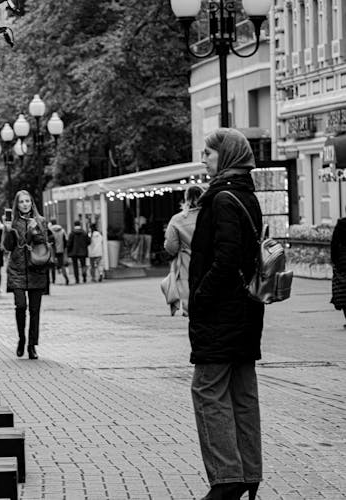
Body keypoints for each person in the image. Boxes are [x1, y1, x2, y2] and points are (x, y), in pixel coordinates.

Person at [188, 128, 264, 500]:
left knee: (207, 390)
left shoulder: (221, 199)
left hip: (221, 313)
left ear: (227, 156)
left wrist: (199, 297)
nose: (203, 158)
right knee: (242, 393)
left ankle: (226, 477)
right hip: (247, 311)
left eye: (209, 153)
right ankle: (249, 474)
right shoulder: (247, 196)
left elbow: (225, 258)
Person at [3, 190, 49, 360]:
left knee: (35, 310)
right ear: (17, 204)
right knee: (21, 306)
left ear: (32, 203)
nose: (25, 204)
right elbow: (8, 247)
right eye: (22, 202)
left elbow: (44, 243)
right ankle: (21, 338)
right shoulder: (12, 222)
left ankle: (32, 345)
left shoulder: (40, 221)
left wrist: (34, 230)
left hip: (36, 269)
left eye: (27, 201)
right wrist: (8, 231)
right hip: (17, 270)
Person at [163, 186, 204, 316]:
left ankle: (188, 311)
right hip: (209, 258)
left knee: (187, 287)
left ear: (186, 199)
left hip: (187, 259)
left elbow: (171, 246)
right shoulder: (212, 215)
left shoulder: (177, 219)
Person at [330, 212, 346, 326]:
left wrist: (335, 261)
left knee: (343, 289)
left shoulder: (341, 224)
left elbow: (334, 244)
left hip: (342, 261)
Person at [49, 219, 69, 285]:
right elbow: (65, 240)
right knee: (62, 265)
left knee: (52, 265)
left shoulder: (50, 230)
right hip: (60, 250)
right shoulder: (62, 230)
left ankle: (53, 280)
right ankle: (66, 278)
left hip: (52, 250)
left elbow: (49, 240)